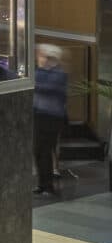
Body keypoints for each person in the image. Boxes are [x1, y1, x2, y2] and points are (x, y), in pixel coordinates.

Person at [36, 43, 70, 198]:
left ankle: (48, 186)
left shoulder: (59, 73)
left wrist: (35, 80)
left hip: (51, 117)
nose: (40, 58)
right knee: (38, 151)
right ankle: (41, 184)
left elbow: (46, 87)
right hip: (40, 115)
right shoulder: (42, 71)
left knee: (45, 151)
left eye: (43, 56)